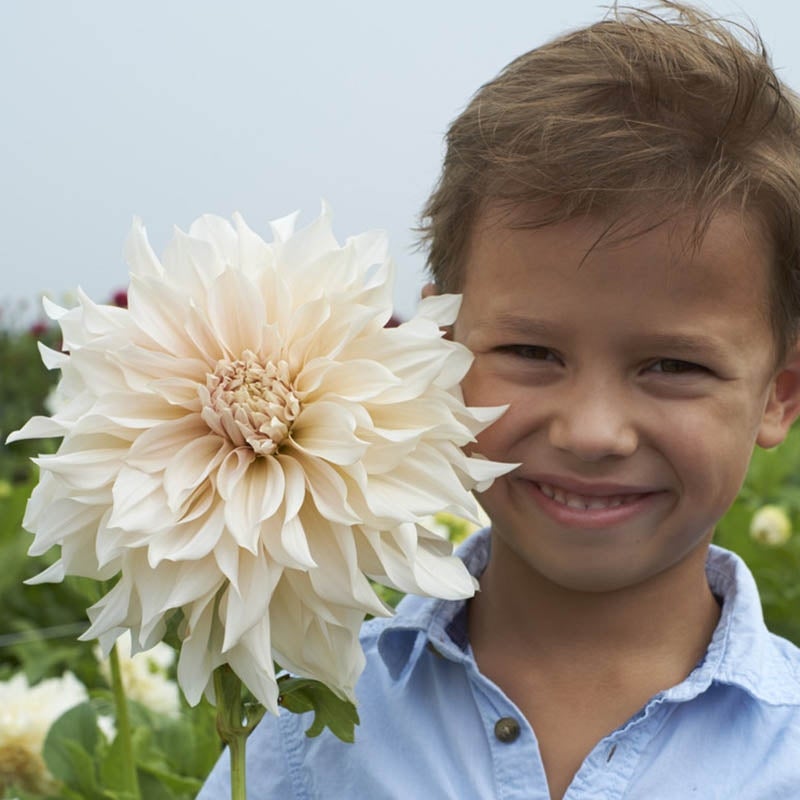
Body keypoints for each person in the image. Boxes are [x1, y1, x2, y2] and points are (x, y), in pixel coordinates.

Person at [198, 3, 800, 797]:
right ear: (439, 350)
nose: (592, 432)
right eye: (531, 352)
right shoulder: (303, 729)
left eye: (672, 365)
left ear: (778, 396)